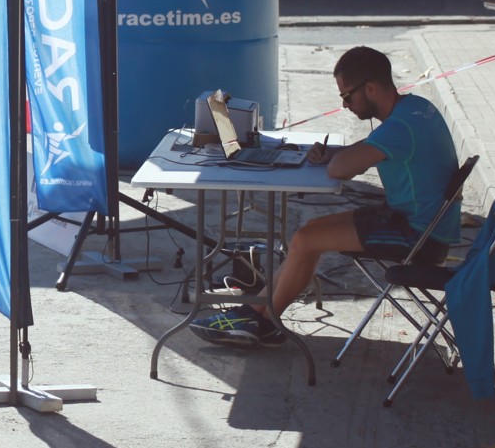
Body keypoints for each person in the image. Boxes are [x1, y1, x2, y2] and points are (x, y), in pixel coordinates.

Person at [193, 46, 460, 346]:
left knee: (307, 241)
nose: (346, 105)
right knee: (305, 235)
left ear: (371, 88)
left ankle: (263, 322)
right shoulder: (415, 108)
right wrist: (334, 153)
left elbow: (340, 171)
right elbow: (366, 151)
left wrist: (336, 159)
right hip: (420, 223)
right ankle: (256, 313)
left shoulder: (399, 129)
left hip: (419, 238)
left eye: (348, 96)